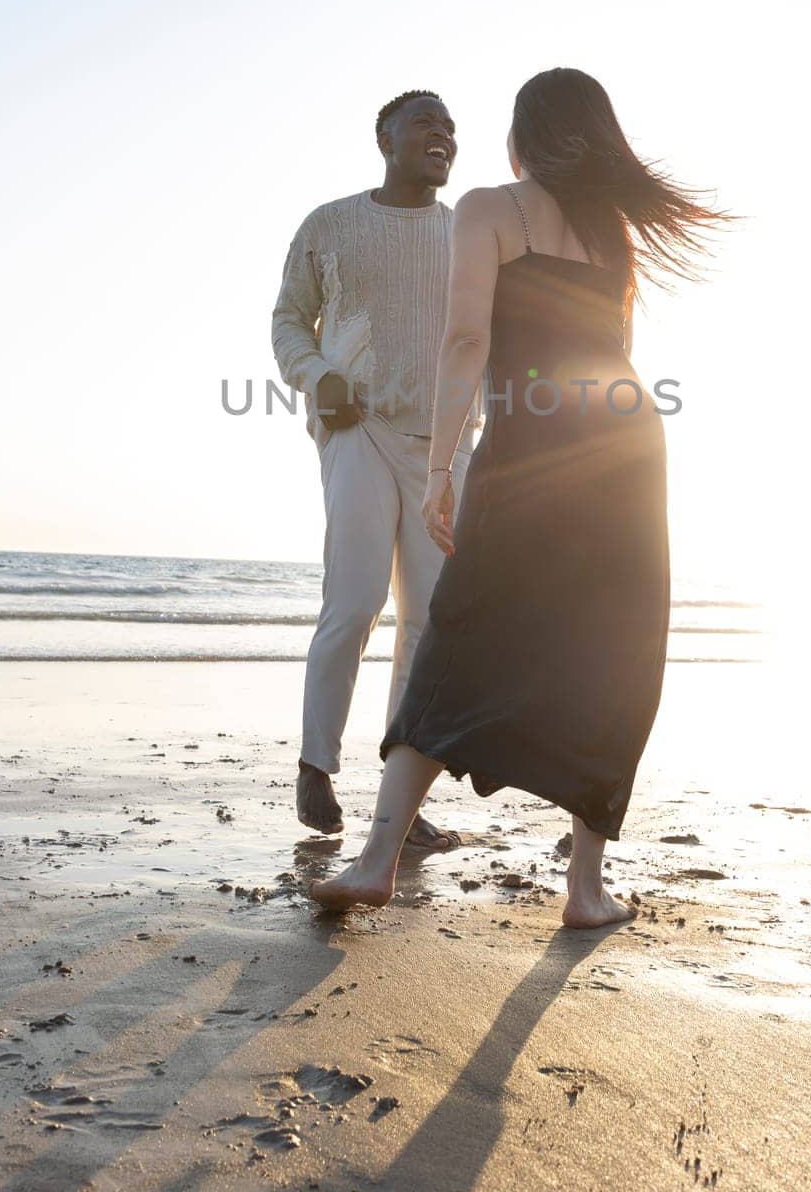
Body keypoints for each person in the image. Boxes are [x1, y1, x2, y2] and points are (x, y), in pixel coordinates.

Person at [311, 67, 730, 927]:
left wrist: (438, 471)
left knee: (459, 629)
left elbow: (465, 338)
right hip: (622, 444)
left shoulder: (488, 209)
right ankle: (584, 890)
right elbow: (614, 349)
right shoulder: (613, 232)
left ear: (524, 135)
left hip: (531, 446)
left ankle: (375, 861)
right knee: (607, 655)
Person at [272, 90, 483, 851]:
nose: (442, 135)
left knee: (425, 622)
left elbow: (484, 340)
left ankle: (402, 795)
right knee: (355, 601)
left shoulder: (467, 234)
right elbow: (288, 318)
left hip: (442, 447)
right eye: (426, 122)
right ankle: (314, 765)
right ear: (384, 138)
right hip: (355, 428)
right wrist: (315, 375)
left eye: (451, 129)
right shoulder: (329, 224)